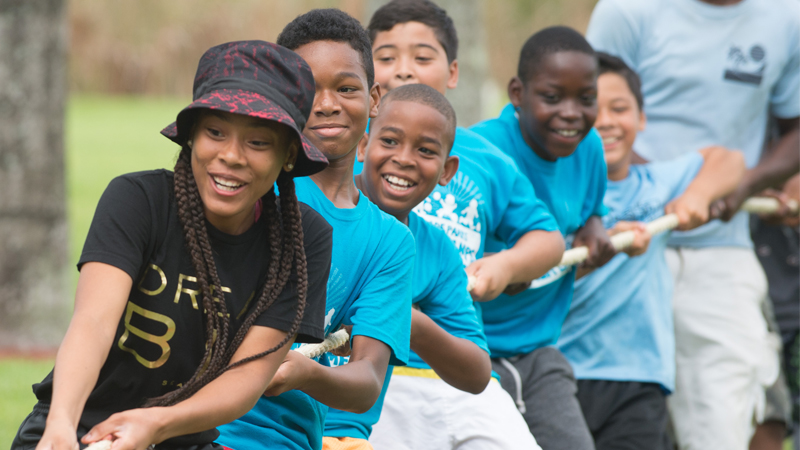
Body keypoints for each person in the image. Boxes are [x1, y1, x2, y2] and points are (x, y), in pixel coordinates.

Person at [11, 40, 333, 450]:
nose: (231, 156)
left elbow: (246, 376)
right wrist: (60, 424)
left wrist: (158, 425)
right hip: (78, 426)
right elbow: (93, 322)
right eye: (215, 132)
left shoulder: (303, 241)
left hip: (181, 436)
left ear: (288, 155)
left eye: (258, 142)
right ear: (192, 137)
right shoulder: (137, 200)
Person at [586, 0, 800, 447]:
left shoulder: (786, 16)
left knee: (731, 420)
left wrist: (746, 185)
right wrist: (670, 194)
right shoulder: (626, 11)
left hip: (722, 246)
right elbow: (590, 116)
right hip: (620, 244)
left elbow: (792, 124)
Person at [358, 0, 565, 447]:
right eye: (387, 57)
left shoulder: (480, 171)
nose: (404, 70)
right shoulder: (336, 185)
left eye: (422, 56)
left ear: (453, 72)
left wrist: (504, 267)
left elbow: (548, 238)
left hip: (448, 361)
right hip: (378, 377)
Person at [216, 10, 415, 450]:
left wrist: (304, 373)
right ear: (282, 97)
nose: (327, 104)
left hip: (281, 439)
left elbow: (366, 382)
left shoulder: (390, 242)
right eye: (310, 89)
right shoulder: (245, 188)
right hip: (193, 425)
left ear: (375, 97)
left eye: (346, 88)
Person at [556, 52, 746, 450]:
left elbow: (729, 160)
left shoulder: (656, 184)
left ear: (642, 119)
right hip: (561, 373)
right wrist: (605, 249)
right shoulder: (555, 195)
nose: (606, 121)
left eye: (620, 108)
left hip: (640, 376)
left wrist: (695, 196)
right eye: (595, 107)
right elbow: (537, 278)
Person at [350, 84, 542, 450]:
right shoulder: (317, 214)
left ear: (447, 170)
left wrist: (412, 324)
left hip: (354, 427)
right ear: (363, 144)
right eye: (389, 141)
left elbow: (476, 372)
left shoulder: (436, 250)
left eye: (425, 150)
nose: (404, 159)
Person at [470, 26, 616, 450]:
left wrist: (596, 227)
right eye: (553, 97)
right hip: (472, 352)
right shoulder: (482, 151)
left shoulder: (587, 148)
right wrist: (513, 265)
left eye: (585, 99)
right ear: (517, 93)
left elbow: (590, 212)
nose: (572, 113)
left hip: (537, 348)